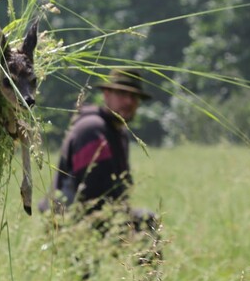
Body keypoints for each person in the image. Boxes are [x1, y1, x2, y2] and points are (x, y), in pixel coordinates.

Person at [44, 68, 162, 266]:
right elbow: (94, 193)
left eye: (134, 97)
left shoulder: (118, 131)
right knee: (144, 223)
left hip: (96, 218)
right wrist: (121, 227)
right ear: (107, 94)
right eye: (122, 94)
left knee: (145, 220)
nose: (129, 102)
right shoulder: (92, 129)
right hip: (72, 223)